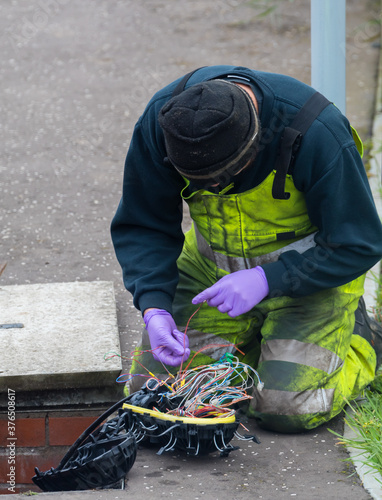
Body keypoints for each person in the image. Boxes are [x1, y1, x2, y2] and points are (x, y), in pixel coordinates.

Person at [111, 65, 382, 433]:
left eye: (220, 180)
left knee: (286, 408)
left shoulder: (316, 133)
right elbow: (144, 223)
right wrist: (154, 306)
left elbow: (359, 242)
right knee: (159, 396)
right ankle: (260, 346)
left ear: (256, 146)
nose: (212, 190)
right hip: (213, 279)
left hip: (311, 280)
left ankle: (365, 341)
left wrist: (267, 279)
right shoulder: (164, 124)